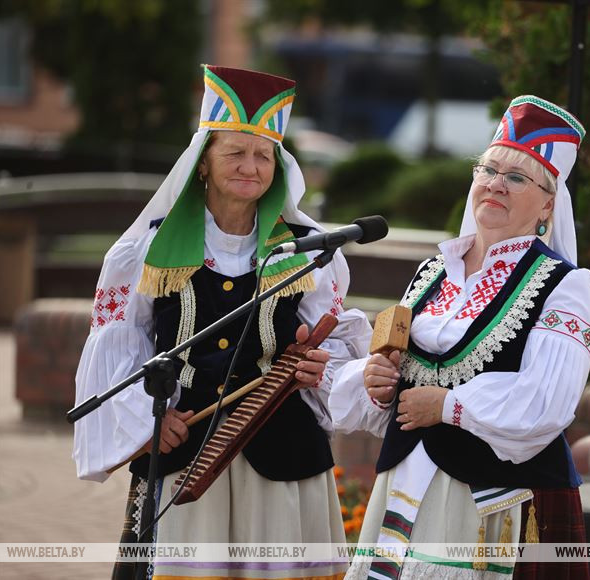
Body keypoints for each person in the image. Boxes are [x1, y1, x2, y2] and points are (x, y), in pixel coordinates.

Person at [72, 65, 371, 580]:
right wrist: (147, 417)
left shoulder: (308, 253)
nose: (250, 167)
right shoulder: (145, 250)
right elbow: (120, 346)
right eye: (234, 152)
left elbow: (340, 347)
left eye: (263, 156)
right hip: (183, 454)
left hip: (282, 457)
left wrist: (319, 367)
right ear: (203, 163)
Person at [330, 95, 590, 579]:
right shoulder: (433, 271)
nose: (495, 185)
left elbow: (548, 403)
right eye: (487, 170)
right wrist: (375, 379)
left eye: (516, 177)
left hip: (496, 498)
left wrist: (450, 407)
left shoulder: (567, 285)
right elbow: (398, 377)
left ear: (547, 205)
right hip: (408, 484)